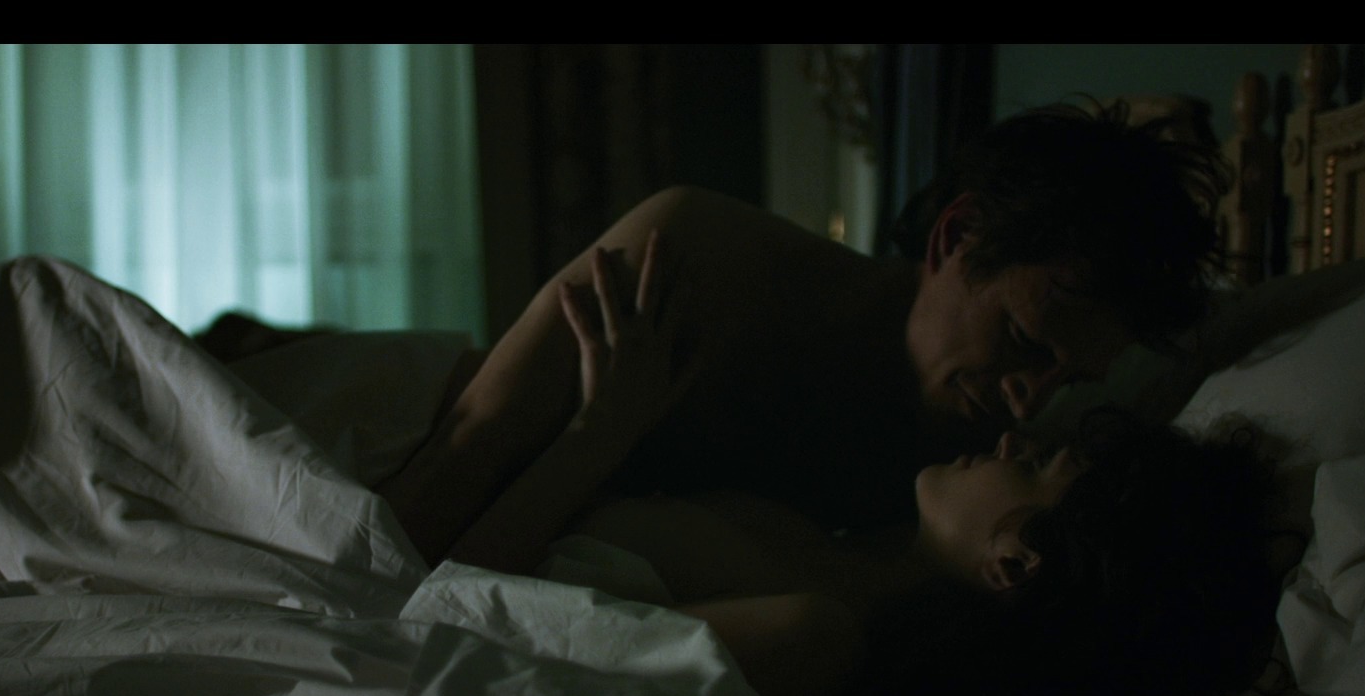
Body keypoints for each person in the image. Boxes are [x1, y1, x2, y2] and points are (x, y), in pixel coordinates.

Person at [375, 101, 1231, 565]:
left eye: (1068, 380)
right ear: (956, 238)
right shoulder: (700, 259)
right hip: (389, 434)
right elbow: (457, 457)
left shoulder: (967, 473)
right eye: (1024, 342)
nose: (1028, 400)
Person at [450, 240, 1284, 696]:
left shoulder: (813, 633)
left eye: (1031, 465)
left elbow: (460, 620)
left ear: (1015, 564)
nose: (1011, 436)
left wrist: (599, 430)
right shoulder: (843, 546)